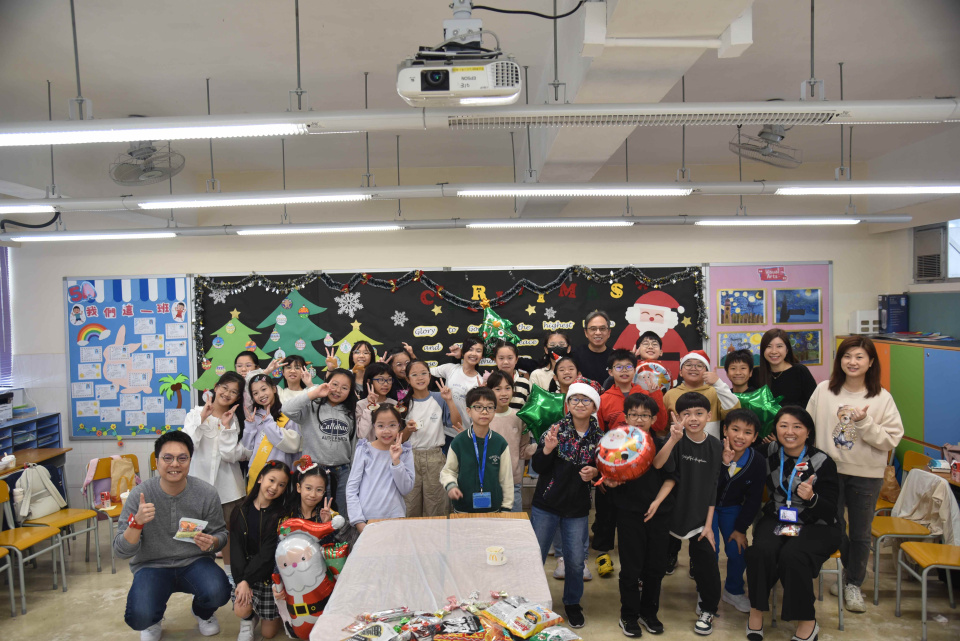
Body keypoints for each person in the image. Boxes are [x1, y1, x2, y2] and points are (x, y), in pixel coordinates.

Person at [806, 335, 903, 612]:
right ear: (839, 360)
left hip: (866, 474)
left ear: (871, 362)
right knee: (833, 527)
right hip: (828, 472)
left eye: (859, 357)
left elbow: (891, 439)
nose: (853, 362)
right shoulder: (824, 390)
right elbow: (807, 426)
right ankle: (851, 572)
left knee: (861, 532)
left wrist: (864, 422)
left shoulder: (881, 397)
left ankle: (853, 583)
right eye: (847, 356)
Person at [116, 431, 231, 641]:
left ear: (190, 460)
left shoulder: (206, 493)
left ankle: (202, 612)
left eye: (182, 458)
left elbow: (221, 534)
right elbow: (121, 550)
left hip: (195, 562)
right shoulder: (140, 495)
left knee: (219, 591)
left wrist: (212, 542)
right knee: (139, 617)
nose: (175, 464)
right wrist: (137, 523)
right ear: (157, 461)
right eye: (167, 458)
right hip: (151, 565)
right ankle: (153, 619)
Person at [745, 407, 840, 641]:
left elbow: (830, 509)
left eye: (797, 426)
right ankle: (756, 610)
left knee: (793, 555)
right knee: (761, 551)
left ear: (808, 432)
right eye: (783, 426)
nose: (790, 432)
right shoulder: (767, 452)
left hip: (816, 524)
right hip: (780, 519)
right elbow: (741, 458)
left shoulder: (822, 461)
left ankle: (807, 620)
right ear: (775, 429)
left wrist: (812, 498)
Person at [529, 383, 603, 629]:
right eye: (575, 399)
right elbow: (537, 467)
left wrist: (595, 472)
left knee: (575, 561)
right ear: (567, 404)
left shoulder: (600, 438)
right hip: (546, 504)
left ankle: (572, 603)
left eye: (586, 400)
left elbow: (604, 469)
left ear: (594, 406)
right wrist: (548, 449)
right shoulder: (555, 430)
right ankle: (532, 601)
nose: (580, 404)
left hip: (577, 508)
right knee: (535, 557)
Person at [606, 393, 676, 637]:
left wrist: (657, 503)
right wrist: (611, 481)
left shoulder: (662, 443)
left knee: (655, 567)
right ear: (626, 417)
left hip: (659, 514)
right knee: (631, 568)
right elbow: (610, 474)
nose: (639, 419)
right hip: (630, 513)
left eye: (644, 415)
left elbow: (669, 477)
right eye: (633, 414)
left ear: (654, 419)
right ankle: (628, 615)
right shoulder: (617, 443)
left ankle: (649, 613)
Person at [653, 392, 722, 636]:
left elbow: (714, 487)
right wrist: (672, 440)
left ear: (709, 416)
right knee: (655, 561)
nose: (693, 418)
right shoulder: (674, 439)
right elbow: (658, 465)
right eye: (687, 414)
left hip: (699, 517)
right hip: (670, 513)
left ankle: (708, 609)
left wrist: (709, 525)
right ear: (677, 416)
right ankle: (647, 605)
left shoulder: (715, 445)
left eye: (699, 413)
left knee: (707, 562)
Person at [593, 349, 667, 566]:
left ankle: (640, 557)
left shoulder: (645, 393)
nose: (624, 371)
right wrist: (602, 471)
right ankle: (603, 553)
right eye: (619, 367)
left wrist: (656, 394)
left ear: (635, 370)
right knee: (606, 511)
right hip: (613, 465)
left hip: (643, 462)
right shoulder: (604, 399)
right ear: (610, 371)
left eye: (628, 366)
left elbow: (661, 425)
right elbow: (598, 436)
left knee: (636, 515)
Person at [183, 371, 250, 581]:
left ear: (238, 397)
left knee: (228, 533)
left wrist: (228, 427)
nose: (227, 394)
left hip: (228, 488)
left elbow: (230, 455)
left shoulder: (234, 419)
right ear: (216, 387)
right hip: (196, 488)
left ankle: (230, 576)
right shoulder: (195, 413)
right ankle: (196, 575)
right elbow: (186, 447)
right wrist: (202, 418)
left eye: (233, 392)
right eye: (224, 388)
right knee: (194, 534)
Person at [281, 368, 357, 526]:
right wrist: (313, 393)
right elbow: (286, 409)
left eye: (344, 388)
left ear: (350, 392)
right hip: (314, 470)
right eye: (334, 384)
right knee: (312, 515)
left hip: (343, 471)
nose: (338, 390)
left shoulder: (351, 412)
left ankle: (340, 541)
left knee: (341, 517)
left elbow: (353, 444)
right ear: (326, 383)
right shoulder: (311, 406)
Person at [712, 409, 765, 614]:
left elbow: (754, 499)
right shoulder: (713, 449)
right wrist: (724, 464)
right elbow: (708, 486)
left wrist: (741, 529)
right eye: (735, 429)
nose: (740, 436)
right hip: (708, 507)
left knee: (738, 549)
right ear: (725, 430)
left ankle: (733, 590)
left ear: (755, 437)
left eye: (747, 432)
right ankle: (706, 591)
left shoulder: (757, 460)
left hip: (732, 508)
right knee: (709, 550)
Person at [230, 461, 290, 641]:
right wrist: (242, 581)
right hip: (246, 573)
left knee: (268, 634)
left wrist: (248, 579)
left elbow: (267, 554)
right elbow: (236, 549)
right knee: (241, 609)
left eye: (281, 485)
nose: (274, 487)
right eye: (271, 480)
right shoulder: (240, 510)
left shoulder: (280, 515)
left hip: (267, 576)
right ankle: (248, 618)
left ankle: (270, 614)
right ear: (260, 479)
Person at [440, 386, 514, 513]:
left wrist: (506, 507)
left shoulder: (500, 443)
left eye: (489, 407)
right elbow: (448, 471)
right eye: (478, 407)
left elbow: (506, 479)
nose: (484, 412)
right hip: (463, 509)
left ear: (494, 411)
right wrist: (451, 486)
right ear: (469, 411)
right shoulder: (459, 442)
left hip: (493, 510)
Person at [403, 360, 461, 517]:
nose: (420, 378)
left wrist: (449, 400)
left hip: (435, 457)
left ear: (430, 376)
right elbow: (399, 439)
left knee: (436, 506)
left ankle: (437, 534)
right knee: (410, 505)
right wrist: (407, 430)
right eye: (414, 375)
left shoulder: (439, 398)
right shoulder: (403, 402)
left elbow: (457, 424)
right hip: (410, 457)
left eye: (424, 373)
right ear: (408, 379)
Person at [346, 405, 415, 534]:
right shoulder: (364, 450)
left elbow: (406, 489)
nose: (386, 431)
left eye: (392, 425)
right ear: (374, 427)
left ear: (399, 426)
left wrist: (396, 461)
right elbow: (352, 488)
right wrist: (358, 521)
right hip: (367, 519)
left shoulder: (404, 452)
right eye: (381, 426)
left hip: (395, 518)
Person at [488, 369, 537, 513]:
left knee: (514, 524)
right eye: (498, 389)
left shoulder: (519, 417)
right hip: (487, 484)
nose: (504, 393)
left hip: (513, 484)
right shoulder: (483, 417)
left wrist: (541, 444)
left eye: (508, 388)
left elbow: (523, 450)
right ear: (489, 391)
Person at [243, 373, 302, 490]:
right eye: (255, 393)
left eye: (263, 389)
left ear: (274, 389)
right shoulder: (255, 416)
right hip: (257, 473)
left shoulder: (287, 414)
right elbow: (247, 450)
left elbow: (294, 446)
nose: (261, 395)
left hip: (280, 476)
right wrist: (249, 427)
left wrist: (269, 423)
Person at [663, 350, 740, 439]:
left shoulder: (715, 392)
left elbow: (734, 412)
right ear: (680, 372)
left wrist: (718, 382)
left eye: (699, 366)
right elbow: (662, 428)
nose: (693, 368)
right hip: (678, 446)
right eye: (688, 365)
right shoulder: (670, 395)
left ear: (707, 372)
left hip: (710, 446)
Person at [750, 328, 818, 409]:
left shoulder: (800, 371)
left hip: (797, 417)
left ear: (787, 349)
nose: (774, 351)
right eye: (769, 346)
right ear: (763, 350)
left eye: (779, 346)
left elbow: (813, 403)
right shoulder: (756, 373)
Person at [430, 337, 485, 436]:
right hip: (444, 431)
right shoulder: (450, 368)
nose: (474, 354)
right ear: (463, 352)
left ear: (482, 356)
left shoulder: (480, 382)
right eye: (470, 349)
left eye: (478, 351)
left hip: (464, 433)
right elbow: (424, 371)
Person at [282, 456, 340, 545]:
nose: (313, 495)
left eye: (319, 490)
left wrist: (326, 525)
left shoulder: (331, 516)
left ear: (324, 491)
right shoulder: (287, 515)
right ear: (299, 487)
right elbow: (281, 544)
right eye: (308, 488)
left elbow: (332, 547)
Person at [354, 362, 397, 441]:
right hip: (368, 447)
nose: (386, 384)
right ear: (369, 381)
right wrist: (370, 407)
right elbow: (361, 435)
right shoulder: (361, 405)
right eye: (381, 380)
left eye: (389, 380)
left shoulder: (394, 404)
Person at [572, 310, 614, 383]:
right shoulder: (575, 355)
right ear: (586, 333)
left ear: (609, 332)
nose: (598, 333)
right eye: (593, 329)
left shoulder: (615, 357)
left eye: (602, 328)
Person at [492, 342, 532, 411]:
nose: (505, 362)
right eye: (501, 358)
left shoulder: (525, 383)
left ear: (516, 360)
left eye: (510, 358)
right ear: (495, 360)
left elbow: (530, 409)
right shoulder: (490, 383)